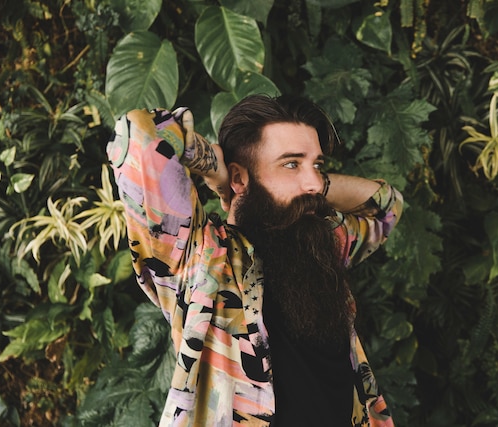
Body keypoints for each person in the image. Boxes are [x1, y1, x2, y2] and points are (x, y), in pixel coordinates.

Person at [106, 94, 403, 427]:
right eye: (291, 164)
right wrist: (217, 169)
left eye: (317, 165)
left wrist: (313, 184)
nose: (314, 182)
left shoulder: (319, 246)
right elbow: (141, 133)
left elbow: (385, 205)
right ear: (240, 179)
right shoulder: (199, 259)